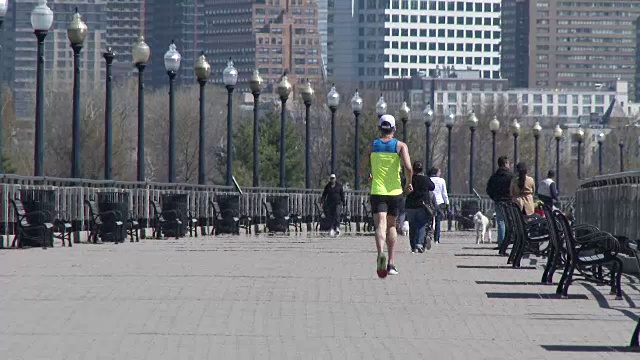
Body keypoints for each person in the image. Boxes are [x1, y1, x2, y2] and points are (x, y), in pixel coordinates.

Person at [369, 114, 413, 278]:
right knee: (392, 226)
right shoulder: (400, 146)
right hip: (395, 192)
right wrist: (409, 182)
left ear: (380, 128)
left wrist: (370, 173)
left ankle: (381, 252)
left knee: (380, 224)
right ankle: (391, 263)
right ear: (394, 129)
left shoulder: (373, 145)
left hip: (377, 191)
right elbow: (408, 167)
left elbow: (364, 168)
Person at [405, 161, 435, 253]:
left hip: (410, 205)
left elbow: (404, 187)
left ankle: (413, 246)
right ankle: (419, 243)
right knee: (422, 224)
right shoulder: (425, 179)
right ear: (422, 169)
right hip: (422, 205)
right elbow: (432, 187)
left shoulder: (409, 179)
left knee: (412, 225)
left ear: (413, 169)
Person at [486, 156, 514, 248]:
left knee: (500, 222)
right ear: (505, 163)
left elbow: (489, 189)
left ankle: (501, 242)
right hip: (509, 201)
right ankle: (509, 240)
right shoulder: (511, 176)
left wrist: (494, 197)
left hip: (498, 201)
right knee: (510, 221)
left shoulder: (494, 176)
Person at [428, 167, 448, 244]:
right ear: (436, 172)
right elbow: (444, 193)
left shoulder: (428, 179)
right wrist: (447, 203)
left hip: (430, 202)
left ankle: (429, 235)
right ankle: (436, 239)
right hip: (439, 202)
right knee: (438, 221)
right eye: (439, 172)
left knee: (429, 220)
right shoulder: (441, 180)